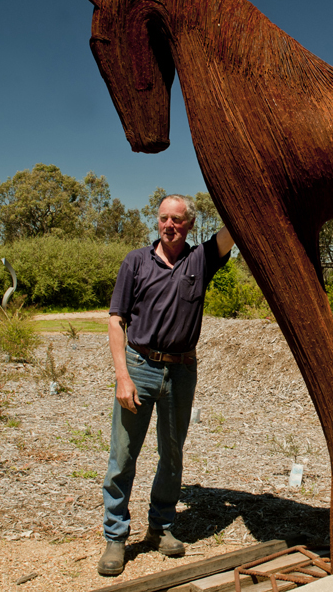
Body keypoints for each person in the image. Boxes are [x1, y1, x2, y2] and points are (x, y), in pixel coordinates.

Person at [98, 194, 234, 576]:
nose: (169, 225)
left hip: (181, 372)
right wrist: (122, 376)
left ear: (190, 225)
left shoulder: (200, 260)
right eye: (163, 218)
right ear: (157, 222)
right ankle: (115, 538)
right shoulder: (136, 261)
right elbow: (115, 321)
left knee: (172, 457)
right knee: (123, 457)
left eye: (177, 219)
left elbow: (234, 231)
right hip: (140, 367)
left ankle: (161, 528)